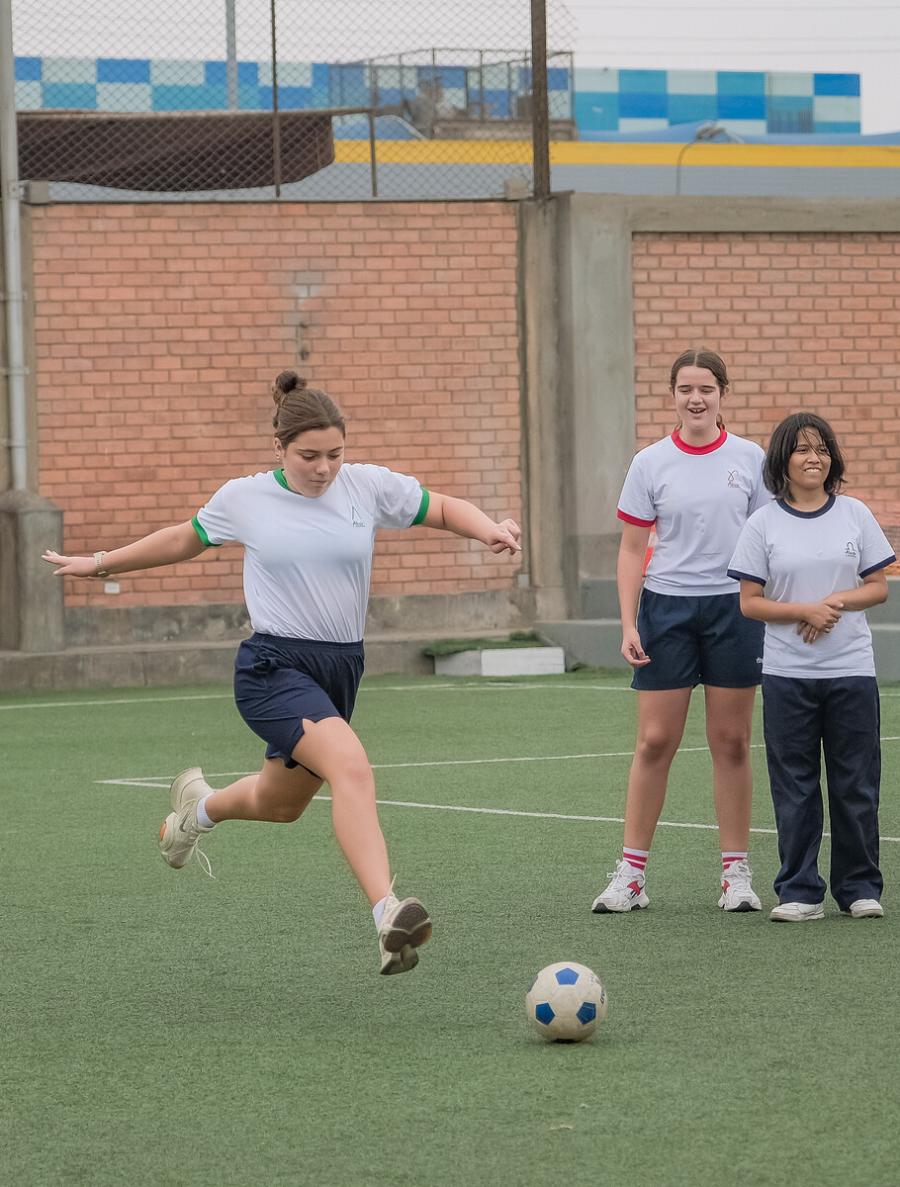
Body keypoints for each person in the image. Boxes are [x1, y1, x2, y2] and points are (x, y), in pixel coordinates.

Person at [42, 371, 522, 974]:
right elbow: (180, 541)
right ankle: (386, 915)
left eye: (334, 454)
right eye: (309, 456)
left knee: (280, 803)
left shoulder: (366, 486)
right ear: (279, 449)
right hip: (273, 666)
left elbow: (444, 507)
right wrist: (99, 563)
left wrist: (490, 530)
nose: (324, 469)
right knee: (352, 768)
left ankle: (197, 812)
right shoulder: (244, 498)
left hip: (341, 667)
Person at [591, 348, 769, 915]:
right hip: (665, 610)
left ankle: (736, 874)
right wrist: (628, 622)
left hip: (733, 610)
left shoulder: (751, 458)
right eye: (686, 389)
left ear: (722, 395)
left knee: (733, 742)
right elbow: (631, 548)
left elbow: (768, 539)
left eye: (707, 389)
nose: (696, 399)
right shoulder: (649, 462)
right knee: (654, 742)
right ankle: (631, 876)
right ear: (672, 395)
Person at [727, 412, 893, 922]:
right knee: (795, 785)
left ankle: (860, 888)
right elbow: (749, 602)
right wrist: (803, 611)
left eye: (821, 448)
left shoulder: (855, 514)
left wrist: (834, 602)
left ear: (832, 458)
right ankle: (799, 891)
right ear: (783, 460)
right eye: (801, 449)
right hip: (787, 674)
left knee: (856, 783)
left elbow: (878, 587)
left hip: (850, 671)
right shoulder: (763, 523)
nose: (813, 457)